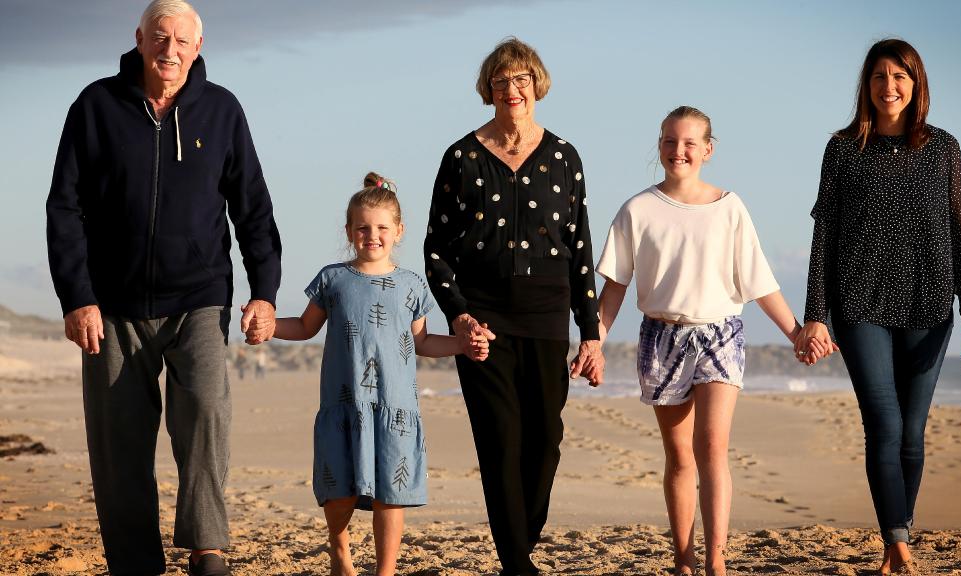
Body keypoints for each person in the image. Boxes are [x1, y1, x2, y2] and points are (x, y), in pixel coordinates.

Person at [44, 1, 282, 575]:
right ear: (140, 39)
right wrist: (77, 296)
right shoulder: (96, 106)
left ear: (198, 46)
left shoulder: (222, 110)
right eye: (159, 37)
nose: (169, 50)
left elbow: (253, 210)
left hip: (198, 297)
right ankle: (135, 563)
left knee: (204, 412)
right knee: (118, 445)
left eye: (181, 40)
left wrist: (264, 292)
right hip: (112, 304)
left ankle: (207, 551)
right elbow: (65, 208)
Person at [590, 106, 824, 576]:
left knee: (712, 446)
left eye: (690, 143)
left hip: (720, 334)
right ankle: (683, 558)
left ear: (708, 150)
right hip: (661, 336)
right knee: (678, 457)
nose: (679, 151)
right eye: (670, 142)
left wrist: (797, 332)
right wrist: (593, 341)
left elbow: (760, 282)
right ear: (659, 147)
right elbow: (613, 287)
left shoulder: (730, 207)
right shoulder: (637, 209)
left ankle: (716, 559)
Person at [794, 38, 961, 575]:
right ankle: (897, 542)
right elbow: (824, 236)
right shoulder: (842, 148)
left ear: (916, 82)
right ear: (867, 86)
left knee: (912, 430)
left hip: (929, 305)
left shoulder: (943, 148)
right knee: (883, 421)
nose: (889, 86)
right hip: (860, 305)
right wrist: (816, 313)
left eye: (899, 75)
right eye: (879, 76)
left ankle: (896, 534)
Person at [423, 37, 604, 576]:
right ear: (489, 90)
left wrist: (589, 332)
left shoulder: (564, 157)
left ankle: (518, 547)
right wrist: (457, 314)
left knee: (545, 441)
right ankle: (518, 564)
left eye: (521, 79)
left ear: (537, 85)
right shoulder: (461, 156)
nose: (511, 90)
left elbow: (581, 249)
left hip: (549, 318)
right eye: (500, 82)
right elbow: (436, 248)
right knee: (500, 443)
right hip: (484, 322)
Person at [273, 173, 489, 576]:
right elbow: (304, 327)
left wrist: (462, 345)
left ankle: (385, 571)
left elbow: (423, 343)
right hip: (344, 403)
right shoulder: (332, 279)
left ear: (399, 231)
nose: (372, 235)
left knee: (393, 494)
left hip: (396, 407)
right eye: (363, 228)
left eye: (381, 228)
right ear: (349, 231)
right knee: (340, 492)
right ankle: (339, 546)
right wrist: (269, 326)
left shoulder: (411, 285)